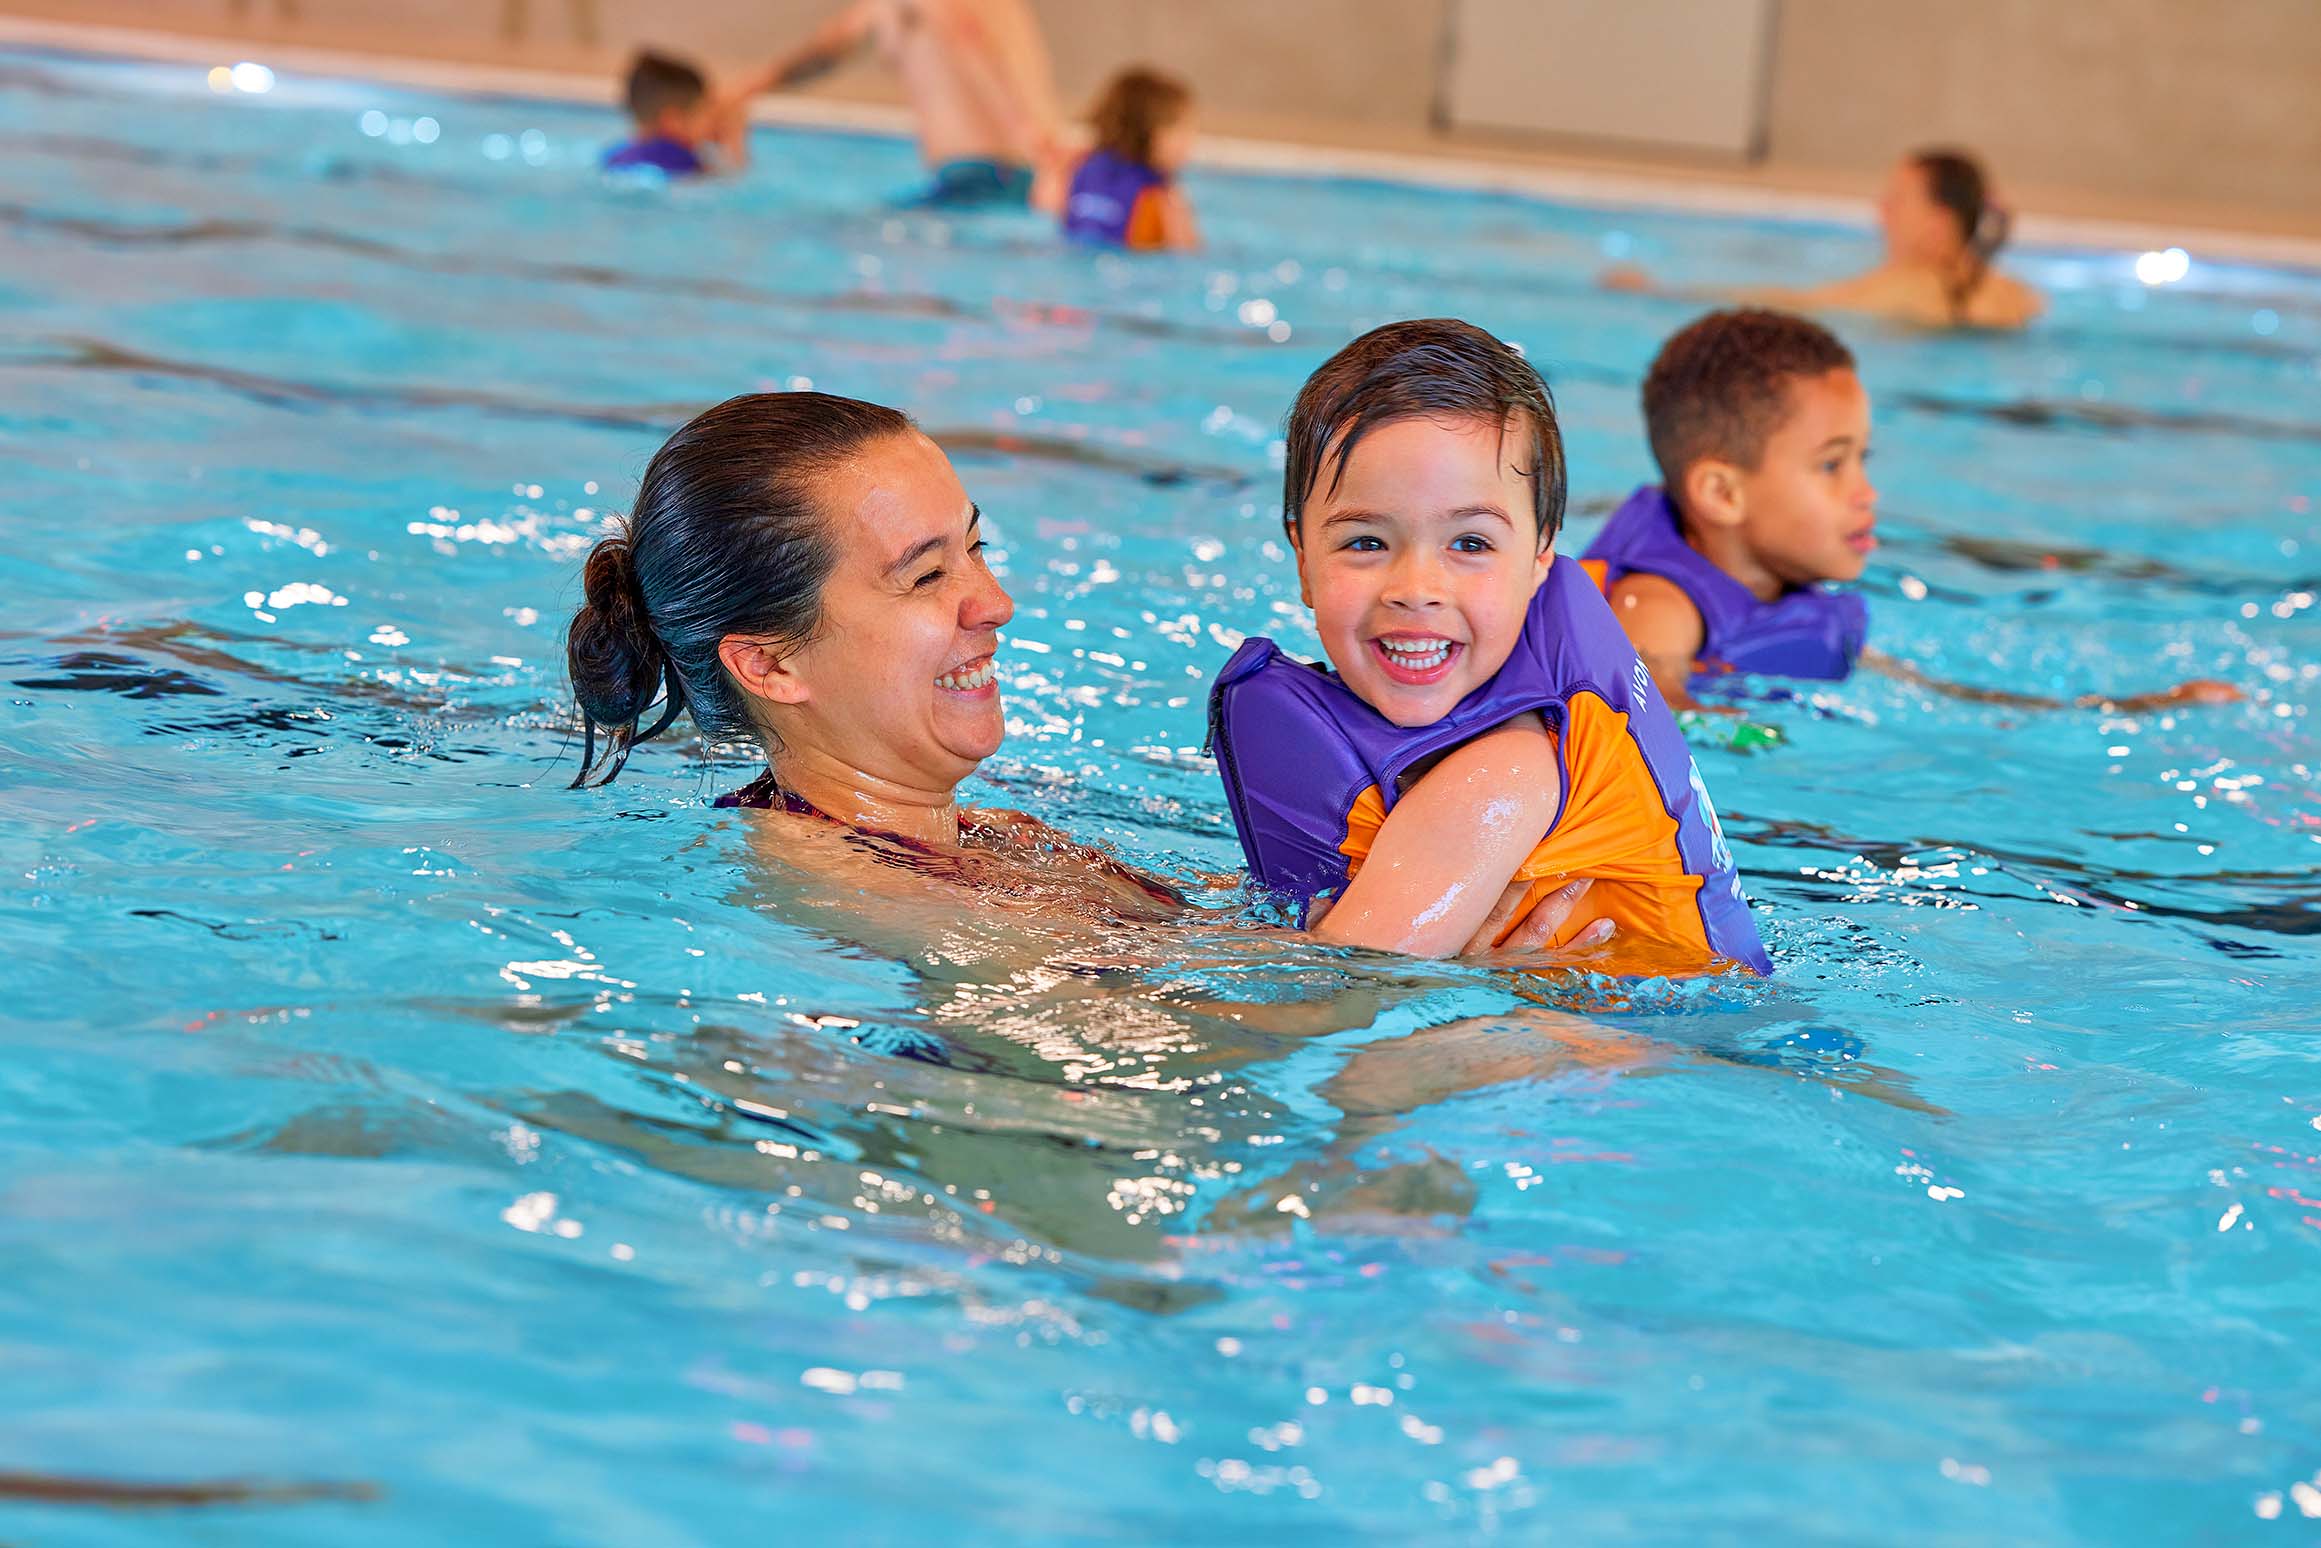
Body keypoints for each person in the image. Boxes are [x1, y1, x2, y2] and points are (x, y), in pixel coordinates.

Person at [1207, 319, 1771, 976]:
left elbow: (1326, 994)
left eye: (1469, 544)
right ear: (1303, 557)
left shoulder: (1499, 778)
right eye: (1365, 542)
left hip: (1629, 1055)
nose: (1416, 588)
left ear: (1539, 556)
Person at [1587, 308, 2238, 713]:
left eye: (1863, 459)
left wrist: (2126, 706)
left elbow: (1936, 693)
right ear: (1722, 494)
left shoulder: (1783, 592)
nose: (1865, 492)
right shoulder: (1658, 605)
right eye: (1830, 464)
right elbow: (1651, 713)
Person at [1606, 148, 2043, 331]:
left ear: (1938, 222)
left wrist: (1663, 293)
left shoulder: (1899, 289)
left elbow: (1790, 303)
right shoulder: (2019, 299)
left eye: (1898, 201)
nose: (1883, 212)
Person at [760, 0, 1063, 208]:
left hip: (983, 176)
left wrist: (1029, 134)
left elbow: (969, 38)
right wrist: (740, 95)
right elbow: (829, 48)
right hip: (999, 176)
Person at [1060, 68, 1199, 253]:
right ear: (1152, 133)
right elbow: (1187, 251)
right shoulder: (1158, 193)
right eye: (1181, 130)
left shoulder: (1083, 169)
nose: (1189, 141)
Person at [601, 50, 760, 177]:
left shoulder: (615, 154)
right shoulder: (681, 160)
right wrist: (735, 141)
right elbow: (733, 184)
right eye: (703, 112)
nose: (711, 121)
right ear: (672, 120)